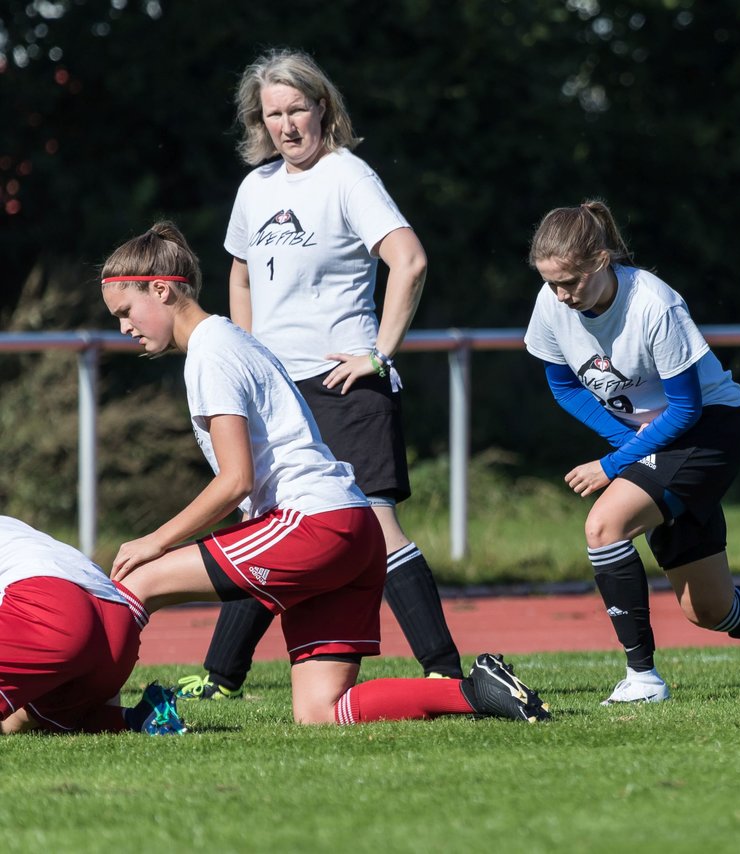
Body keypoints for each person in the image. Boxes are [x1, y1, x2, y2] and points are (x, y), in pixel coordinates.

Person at [100, 222, 549, 725]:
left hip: (313, 524)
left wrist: (155, 541)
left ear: (161, 289)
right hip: (352, 526)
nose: (124, 328)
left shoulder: (211, 352)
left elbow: (235, 482)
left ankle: (97, 715)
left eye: (125, 312)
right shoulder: (230, 338)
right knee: (319, 712)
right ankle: (476, 692)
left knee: (137, 581)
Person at [175, 49, 461, 702]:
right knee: (265, 521)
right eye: (272, 113)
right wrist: (247, 355)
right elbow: (240, 273)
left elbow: (408, 260)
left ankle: (444, 668)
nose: (285, 124)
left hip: (344, 388)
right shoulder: (257, 188)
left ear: (322, 107)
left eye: (296, 108)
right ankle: (222, 679)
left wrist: (379, 355)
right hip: (282, 394)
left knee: (377, 527)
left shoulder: (347, 178)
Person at [524, 200, 740, 705]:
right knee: (711, 610)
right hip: (653, 441)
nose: (561, 295)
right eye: (552, 283)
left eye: (571, 282)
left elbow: (686, 410)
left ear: (601, 259)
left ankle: (642, 678)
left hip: (709, 432)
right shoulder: (551, 302)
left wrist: (613, 464)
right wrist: (631, 447)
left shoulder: (654, 304)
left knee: (604, 525)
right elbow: (564, 387)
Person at [1, 515, 185, 736]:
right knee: (19, 723)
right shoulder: (15, 528)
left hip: (51, 609)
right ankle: (141, 718)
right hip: (119, 627)